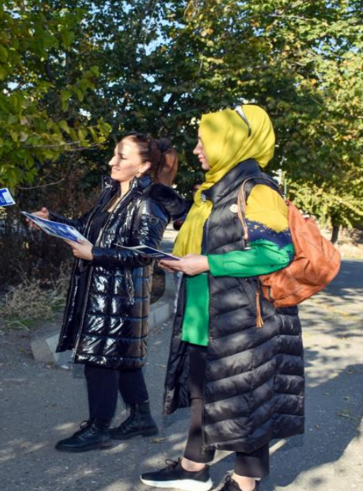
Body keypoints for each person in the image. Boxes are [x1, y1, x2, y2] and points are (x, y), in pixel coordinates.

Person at [139, 105, 303, 491]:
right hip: (204, 312)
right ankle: (193, 467)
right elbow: (197, 235)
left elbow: (277, 253)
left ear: (229, 142)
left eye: (203, 141)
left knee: (249, 399)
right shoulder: (214, 191)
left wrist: (207, 262)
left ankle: (245, 482)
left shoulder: (257, 190)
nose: (197, 149)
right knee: (202, 391)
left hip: (247, 319)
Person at [30, 133, 182, 452]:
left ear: (143, 166)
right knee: (119, 356)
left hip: (122, 295)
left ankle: (98, 428)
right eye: (115, 154)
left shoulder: (147, 203)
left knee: (100, 359)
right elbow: (84, 230)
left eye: (122, 157)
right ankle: (141, 416)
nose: (113, 162)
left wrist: (96, 255)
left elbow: (144, 254)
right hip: (99, 290)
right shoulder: (111, 193)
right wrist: (50, 221)